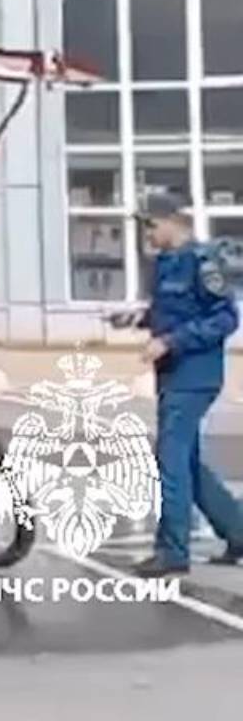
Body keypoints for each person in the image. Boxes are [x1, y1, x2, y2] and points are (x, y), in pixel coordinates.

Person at [115, 192, 243, 576]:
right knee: (185, 461)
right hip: (173, 375)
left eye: (151, 226)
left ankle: (172, 551)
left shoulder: (203, 262)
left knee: (170, 460)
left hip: (195, 376)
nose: (148, 235)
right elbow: (171, 313)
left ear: (175, 221)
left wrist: (169, 342)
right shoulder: (166, 265)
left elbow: (225, 319)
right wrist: (137, 320)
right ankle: (238, 532)